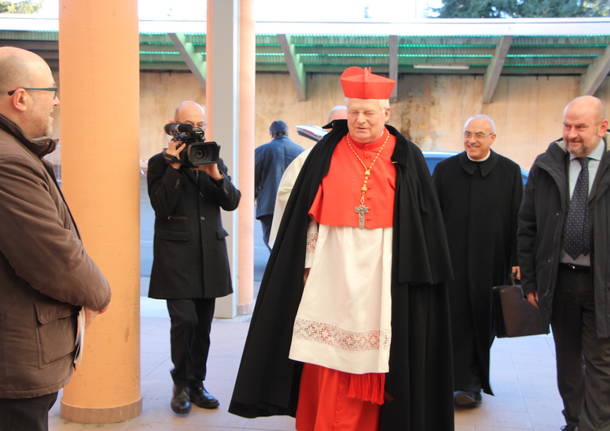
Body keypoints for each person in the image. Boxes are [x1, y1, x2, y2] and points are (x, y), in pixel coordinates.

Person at [229, 67, 454, 430]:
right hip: (331, 265)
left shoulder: (407, 157)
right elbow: (307, 217)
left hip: (384, 268)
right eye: (353, 112)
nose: (360, 120)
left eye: (368, 112)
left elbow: (421, 224)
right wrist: (305, 264)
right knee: (325, 349)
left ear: (386, 113)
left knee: (380, 349)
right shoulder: (325, 153)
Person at [0, 47, 111, 431]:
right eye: (51, 90)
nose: (57, 101)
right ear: (21, 97)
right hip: (15, 365)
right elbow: (55, 257)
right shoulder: (8, 162)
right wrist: (98, 294)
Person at [518, 95, 609, 431]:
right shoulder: (547, 164)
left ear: (603, 127)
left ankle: (594, 426)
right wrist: (530, 281)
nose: (571, 134)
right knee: (568, 360)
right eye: (567, 125)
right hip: (560, 281)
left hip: (603, 282)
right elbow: (527, 226)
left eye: (580, 127)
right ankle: (574, 421)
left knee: (601, 362)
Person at [147, 101, 241, 415]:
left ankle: (197, 384)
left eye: (198, 124)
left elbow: (231, 202)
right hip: (176, 258)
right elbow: (162, 206)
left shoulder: (211, 158)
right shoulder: (159, 163)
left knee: (202, 327)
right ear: (172, 126)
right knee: (184, 321)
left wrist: (215, 174)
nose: (193, 130)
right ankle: (180, 383)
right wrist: (174, 166)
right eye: (186, 124)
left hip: (209, 256)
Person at [433, 114, 523, 408]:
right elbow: (431, 219)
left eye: (480, 135)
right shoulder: (445, 171)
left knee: (483, 322)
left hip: (491, 263)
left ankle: (473, 382)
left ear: (492, 139)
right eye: (468, 133)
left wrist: (517, 260)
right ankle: (455, 383)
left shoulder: (509, 173)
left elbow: (518, 220)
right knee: (452, 321)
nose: (472, 140)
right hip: (452, 265)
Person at [268, 105, 347, 247]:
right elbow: (285, 192)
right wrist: (318, 201)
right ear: (326, 128)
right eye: (336, 125)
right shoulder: (305, 157)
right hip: (315, 233)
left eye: (346, 125)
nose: (340, 130)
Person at [255, 120, 303, 249]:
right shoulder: (301, 152)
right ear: (287, 133)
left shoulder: (261, 151)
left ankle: (276, 266)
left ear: (271, 133)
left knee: (271, 241)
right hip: (294, 205)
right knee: (292, 242)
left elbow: (253, 178)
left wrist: (256, 196)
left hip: (268, 206)